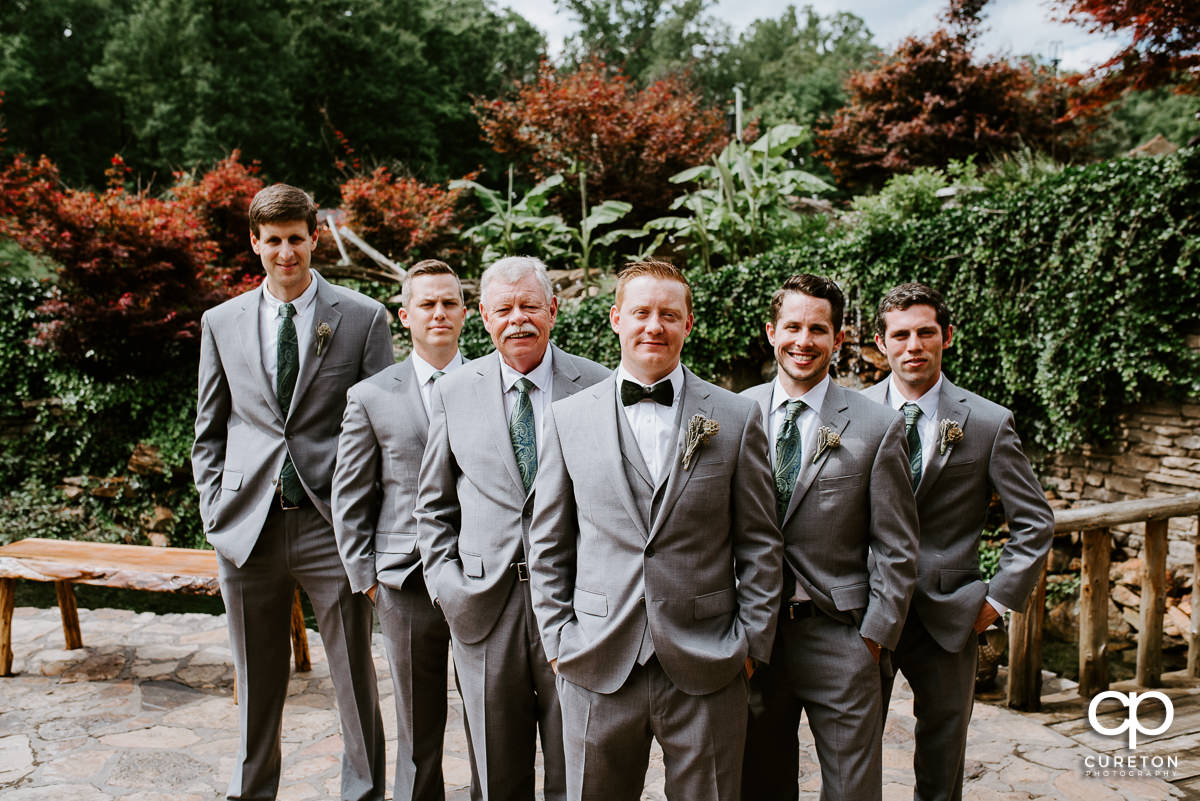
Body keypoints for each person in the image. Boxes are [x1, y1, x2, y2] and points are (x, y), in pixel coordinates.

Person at [527, 260, 782, 801]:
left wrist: (750, 645)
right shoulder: (566, 417)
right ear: (616, 318)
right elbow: (549, 544)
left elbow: (760, 542)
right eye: (641, 312)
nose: (654, 326)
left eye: (669, 314)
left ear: (688, 324)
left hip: (707, 661)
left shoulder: (735, 417)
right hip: (595, 658)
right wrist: (558, 640)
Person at [192, 183, 392, 800]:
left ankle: (362, 794)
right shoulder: (220, 322)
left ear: (315, 239)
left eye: (296, 239)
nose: (286, 252)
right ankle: (252, 793)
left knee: (354, 675)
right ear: (254, 243)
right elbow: (208, 430)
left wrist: (371, 525)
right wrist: (214, 513)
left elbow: (387, 431)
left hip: (332, 525)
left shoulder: (362, 317)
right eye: (273, 241)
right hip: (247, 526)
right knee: (256, 677)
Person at [415, 256, 609, 801]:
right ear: (483, 316)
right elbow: (432, 506)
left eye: (529, 306)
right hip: (483, 610)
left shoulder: (598, 384)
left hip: (575, 609)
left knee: (576, 771)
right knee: (496, 776)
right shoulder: (454, 392)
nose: (517, 319)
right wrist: (449, 589)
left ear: (552, 309)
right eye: (504, 308)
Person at [862, 282, 1053, 801]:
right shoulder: (849, 415)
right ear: (881, 344)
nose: (913, 346)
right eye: (899, 335)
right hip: (865, 611)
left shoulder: (988, 422)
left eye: (925, 332)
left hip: (949, 614)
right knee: (852, 755)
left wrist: (996, 600)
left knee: (943, 759)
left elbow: (1034, 520)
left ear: (946, 336)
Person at [739, 274, 919, 801]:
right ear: (772, 332)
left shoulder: (877, 425)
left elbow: (897, 544)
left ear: (838, 339)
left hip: (841, 636)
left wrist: (874, 637)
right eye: (792, 326)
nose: (804, 340)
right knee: (759, 783)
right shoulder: (731, 413)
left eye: (819, 328)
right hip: (755, 638)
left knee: (852, 790)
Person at [332, 259, 475, 801]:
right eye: (427, 304)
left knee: (489, 720)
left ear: (465, 313)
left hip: (479, 577)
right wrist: (366, 576)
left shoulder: (491, 380)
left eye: (448, 302)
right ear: (405, 315)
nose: (438, 313)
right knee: (417, 728)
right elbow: (350, 494)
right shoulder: (371, 395)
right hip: (402, 581)